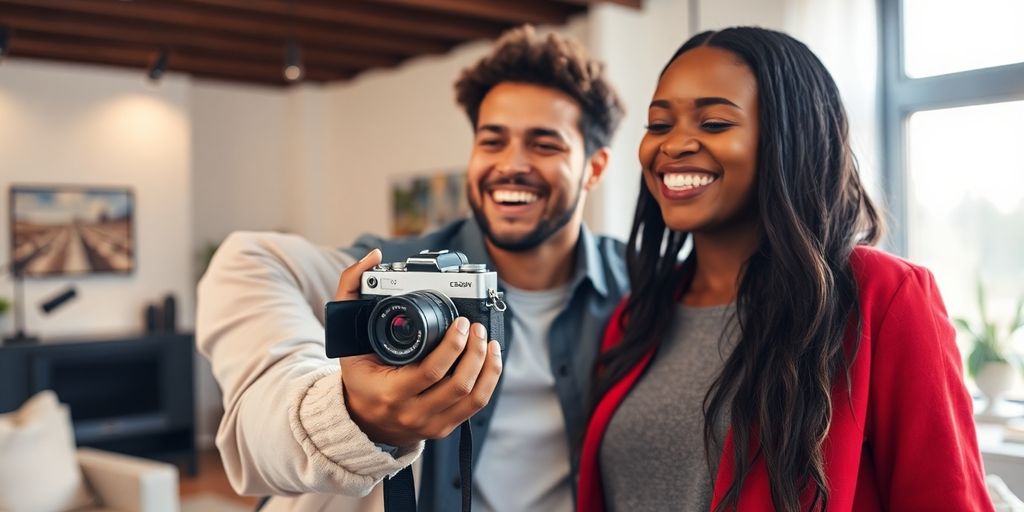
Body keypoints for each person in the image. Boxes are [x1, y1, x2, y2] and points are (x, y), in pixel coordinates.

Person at [197, 25, 627, 511]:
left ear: (595, 167)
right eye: (492, 142)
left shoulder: (643, 286)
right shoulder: (393, 275)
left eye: (545, 145)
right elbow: (247, 259)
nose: (511, 164)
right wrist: (353, 414)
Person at [577, 27, 994, 512]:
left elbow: (946, 499)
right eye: (659, 124)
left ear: (791, 136)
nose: (674, 145)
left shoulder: (882, 296)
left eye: (714, 123)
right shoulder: (636, 317)